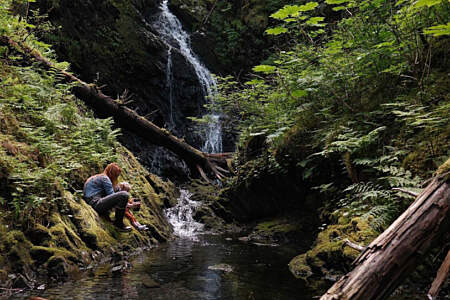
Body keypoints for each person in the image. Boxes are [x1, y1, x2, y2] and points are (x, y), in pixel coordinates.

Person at [83, 163, 132, 232]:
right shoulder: (105, 179)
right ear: (112, 173)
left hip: (91, 202)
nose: (116, 178)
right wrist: (129, 205)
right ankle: (119, 224)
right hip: (95, 204)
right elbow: (112, 195)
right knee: (124, 195)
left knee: (120, 192)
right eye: (116, 175)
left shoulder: (99, 177)